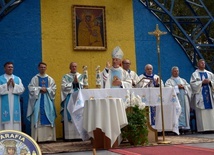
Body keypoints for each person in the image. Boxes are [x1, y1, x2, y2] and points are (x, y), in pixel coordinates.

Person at [27, 62, 57, 142]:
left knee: (49, 115)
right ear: (38, 68)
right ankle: (38, 138)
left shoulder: (50, 79)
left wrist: (47, 89)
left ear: (46, 68)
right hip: (38, 100)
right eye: (41, 67)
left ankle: (49, 138)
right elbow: (30, 88)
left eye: (44, 67)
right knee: (38, 115)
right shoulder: (35, 78)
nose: (43, 69)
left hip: (47, 100)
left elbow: (54, 89)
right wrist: (39, 89)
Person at [60, 62, 84, 140]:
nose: (74, 67)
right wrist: (73, 84)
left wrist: (78, 83)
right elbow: (63, 87)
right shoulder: (65, 77)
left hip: (78, 98)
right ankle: (69, 136)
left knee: (79, 114)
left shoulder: (81, 76)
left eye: (75, 66)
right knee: (69, 113)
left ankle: (79, 136)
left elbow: (84, 85)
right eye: (72, 66)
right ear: (70, 67)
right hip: (69, 98)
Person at [190, 59, 214, 132]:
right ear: (198, 64)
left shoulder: (210, 74)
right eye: (201, 63)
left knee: (211, 112)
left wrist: (210, 82)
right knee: (201, 112)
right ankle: (203, 129)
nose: (203, 64)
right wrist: (202, 82)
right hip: (200, 96)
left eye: (204, 63)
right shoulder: (195, 74)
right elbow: (192, 84)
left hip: (209, 95)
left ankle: (212, 128)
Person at [165, 66, 191, 133]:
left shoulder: (183, 80)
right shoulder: (169, 81)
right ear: (172, 72)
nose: (176, 72)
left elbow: (189, 87)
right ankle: (176, 128)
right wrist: (177, 87)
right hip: (175, 100)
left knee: (183, 111)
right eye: (174, 71)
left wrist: (184, 87)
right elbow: (168, 89)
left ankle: (184, 127)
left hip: (183, 99)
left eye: (177, 71)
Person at [0, 62, 25, 131]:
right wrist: (6, 85)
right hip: (3, 105)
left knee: (15, 121)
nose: (10, 68)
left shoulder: (17, 79)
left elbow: (22, 90)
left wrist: (14, 85)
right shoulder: (0, 78)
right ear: (5, 68)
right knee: (4, 119)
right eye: (9, 67)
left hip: (15, 104)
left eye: (11, 67)